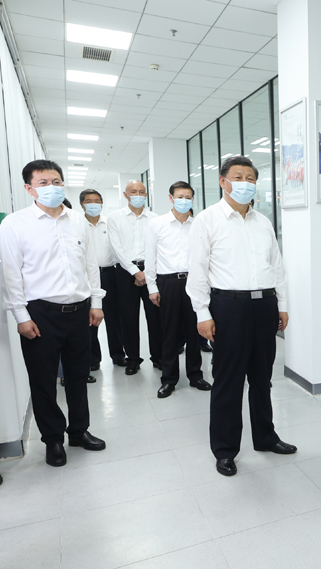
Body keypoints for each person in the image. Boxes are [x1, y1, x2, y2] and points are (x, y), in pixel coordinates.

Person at [187, 155, 295, 477]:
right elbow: (198, 271)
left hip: (264, 306)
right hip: (228, 307)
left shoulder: (263, 222)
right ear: (223, 181)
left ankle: (266, 437)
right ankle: (225, 449)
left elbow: (277, 266)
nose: (245, 183)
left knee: (262, 378)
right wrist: (202, 313)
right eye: (238, 177)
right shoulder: (207, 220)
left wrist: (282, 304)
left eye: (250, 178)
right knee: (229, 381)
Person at [0, 159, 106, 467]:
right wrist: (21, 316)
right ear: (29, 188)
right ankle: (53, 439)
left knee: (78, 376)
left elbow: (90, 265)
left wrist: (96, 303)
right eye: (44, 183)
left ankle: (79, 431)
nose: (52, 187)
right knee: (43, 380)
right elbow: (11, 274)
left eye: (57, 181)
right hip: (40, 314)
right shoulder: (15, 224)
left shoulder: (78, 220)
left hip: (80, 311)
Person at [145, 181, 211, 398]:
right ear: (171, 198)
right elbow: (150, 257)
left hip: (195, 281)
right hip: (169, 283)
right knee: (170, 332)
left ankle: (195, 375)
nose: (184, 201)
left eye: (188, 197)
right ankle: (169, 379)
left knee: (195, 331)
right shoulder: (157, 224)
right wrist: (152, 287)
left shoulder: (198, 224)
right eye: (180, 197)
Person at [107, 180, 162, 375]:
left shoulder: (155, 219)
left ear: (146, 194)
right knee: (128, 318)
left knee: (155, 317)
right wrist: (135, 272)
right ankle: (133, 359)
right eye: (133, 192)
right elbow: (116, 248)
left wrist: (146, 272)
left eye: (141, 192)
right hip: (125, 272)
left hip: (151, 271)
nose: (138, 195)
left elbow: (157, 247)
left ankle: (158, 357)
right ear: (125, 194)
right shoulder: (114, 218)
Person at [80, 189, 126, 369]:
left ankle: (118, 354)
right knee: (91, 318)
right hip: (87, 277)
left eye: (97, 201)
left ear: (102, 203)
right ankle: (93, 359)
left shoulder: (110, 223)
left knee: (115, 318)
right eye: (89, 201)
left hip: (110, 274)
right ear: (82, 204)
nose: (94, 204)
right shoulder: (78, 224)